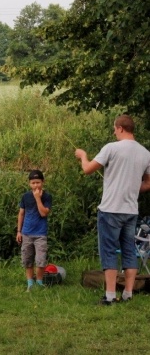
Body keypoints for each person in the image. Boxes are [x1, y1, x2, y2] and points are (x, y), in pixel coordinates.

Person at [75, 115, 150, 305]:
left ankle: (109, 296)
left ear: (121, 128)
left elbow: (88, 169)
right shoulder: (145, 153)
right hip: (131, 210)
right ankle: (128, 294)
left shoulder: (111, 148)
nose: (114, 132)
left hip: (110, 210)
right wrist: (133, 188)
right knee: (129, 251)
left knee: (108, 251)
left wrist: (82, 156)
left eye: (114, 129)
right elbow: (148, 183)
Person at [16, 170, 52, 292]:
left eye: (38, 182)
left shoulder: (47, 196)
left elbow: (43, 213)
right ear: (29, 184)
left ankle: (40, 282)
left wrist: (37, 198)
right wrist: (19, 231)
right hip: (26, 233)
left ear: (43, 182)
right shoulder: (25, 197)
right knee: (27, 259)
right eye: (33, 183)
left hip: (40, 234)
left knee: (41, 260)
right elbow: (21, 214)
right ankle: (30, 283)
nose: (36, 185)